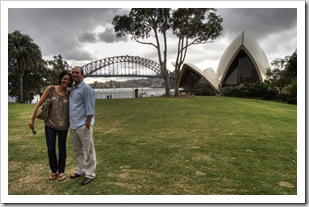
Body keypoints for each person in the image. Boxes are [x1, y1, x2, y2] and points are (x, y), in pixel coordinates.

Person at [28, 70, 72, 181]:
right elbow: (39, 103)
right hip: (50, 124)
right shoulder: (51, 89)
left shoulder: (70, 92)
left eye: (68, 80)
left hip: (64, 125)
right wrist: (32, 118)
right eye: (64, 78)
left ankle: (61, 171)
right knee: (51, 148)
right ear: (61, 79)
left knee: (62, 148)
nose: (66, 81)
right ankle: (54, 170)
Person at [69, 66, 96, 186]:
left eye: (77, 73)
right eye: (72, 72)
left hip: (83, 126)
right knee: (78, 151)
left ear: (82, 75)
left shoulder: (87, 89)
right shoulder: (73, 89)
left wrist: (87, 125)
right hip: (73, 126)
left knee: (89, 151)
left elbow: (90, 109)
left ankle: (90, 174)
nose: (74, 74)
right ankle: (81, 170)